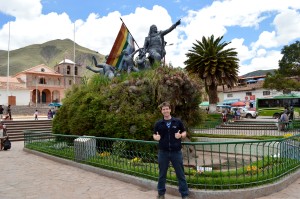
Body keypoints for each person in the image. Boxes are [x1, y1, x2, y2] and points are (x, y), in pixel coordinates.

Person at [153, 102, 189, 199]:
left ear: (170, 110)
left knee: (180, 174)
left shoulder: (177, 122)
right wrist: (156, 137)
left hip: (176, 152)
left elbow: (184, 132)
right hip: (163, 152)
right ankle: (161, 194)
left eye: (167, 109)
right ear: (161, 111)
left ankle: (184, 195)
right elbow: (154, 134)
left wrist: (181, 135)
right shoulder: (158, 124)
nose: (165, 111)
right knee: (162, 174)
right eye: (163, 109)